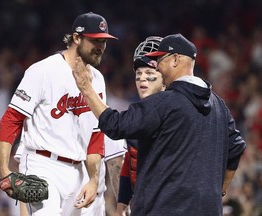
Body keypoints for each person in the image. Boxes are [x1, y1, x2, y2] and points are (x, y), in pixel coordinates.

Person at [72, 33, 246, 216]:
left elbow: (115, 125)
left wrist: (87, 89)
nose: (158, 67)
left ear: (175, 60)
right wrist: (219, 191)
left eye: (160, 60)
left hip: (163, 208)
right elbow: (236, 149)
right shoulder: (219, 106)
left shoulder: (165, 102)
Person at [0, 12, 117, 216]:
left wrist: (94, 179)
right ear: (77, 38)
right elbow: (12, 119)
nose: (101, 47)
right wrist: (3, 170)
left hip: (79, 170)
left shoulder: (97, 79)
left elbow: (96, 135)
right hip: (43, 165)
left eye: (104, 41)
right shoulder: (43, 70)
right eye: (95, 40)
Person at [116, 36, 165, 216]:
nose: (142, 79)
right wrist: (122, 201)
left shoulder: (179, 111)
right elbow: (131, 160)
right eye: (138, 74)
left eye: (149, 73)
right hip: (143, 204)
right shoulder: (137, 113)